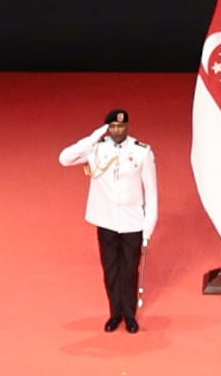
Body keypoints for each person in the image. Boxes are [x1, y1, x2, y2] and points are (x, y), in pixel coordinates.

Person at [61, 108, 156, 332]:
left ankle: (130, 316)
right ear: (107, 128)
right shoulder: (96, 149)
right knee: (111, 268)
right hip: (105, 219)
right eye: (113, 126)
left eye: (122, 126)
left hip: (132, 220)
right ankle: (115, 313)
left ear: (128, 127)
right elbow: (65, 159)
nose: (118, 130)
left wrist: (148, 228)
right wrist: (95, 136)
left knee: (130, 269)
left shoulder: (141, 151)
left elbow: (151, 192)